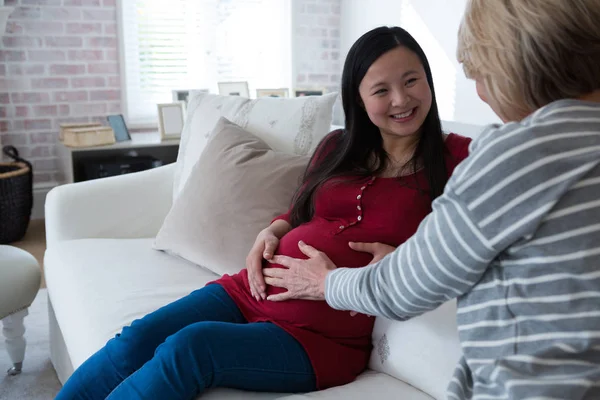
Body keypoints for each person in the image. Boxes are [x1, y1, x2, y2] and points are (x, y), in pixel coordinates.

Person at [55, 26, 471, 400]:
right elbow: (298, 208)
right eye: (381, 90)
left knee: (192, 347)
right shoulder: (338, 147)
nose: (401, 99)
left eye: (412, 80)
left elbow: (468, 246)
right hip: (250, 289)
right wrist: (270, 232)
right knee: (136, 339)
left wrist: (400, 261)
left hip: (319, 337)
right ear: (360, 100)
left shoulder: (460, 159)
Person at [263, 1, 600, 399]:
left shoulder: (515, 156)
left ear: (514, 67)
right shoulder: (338, 146)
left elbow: (405, 287)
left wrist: (326, 282)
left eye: (481, 75)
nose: (482, 93)